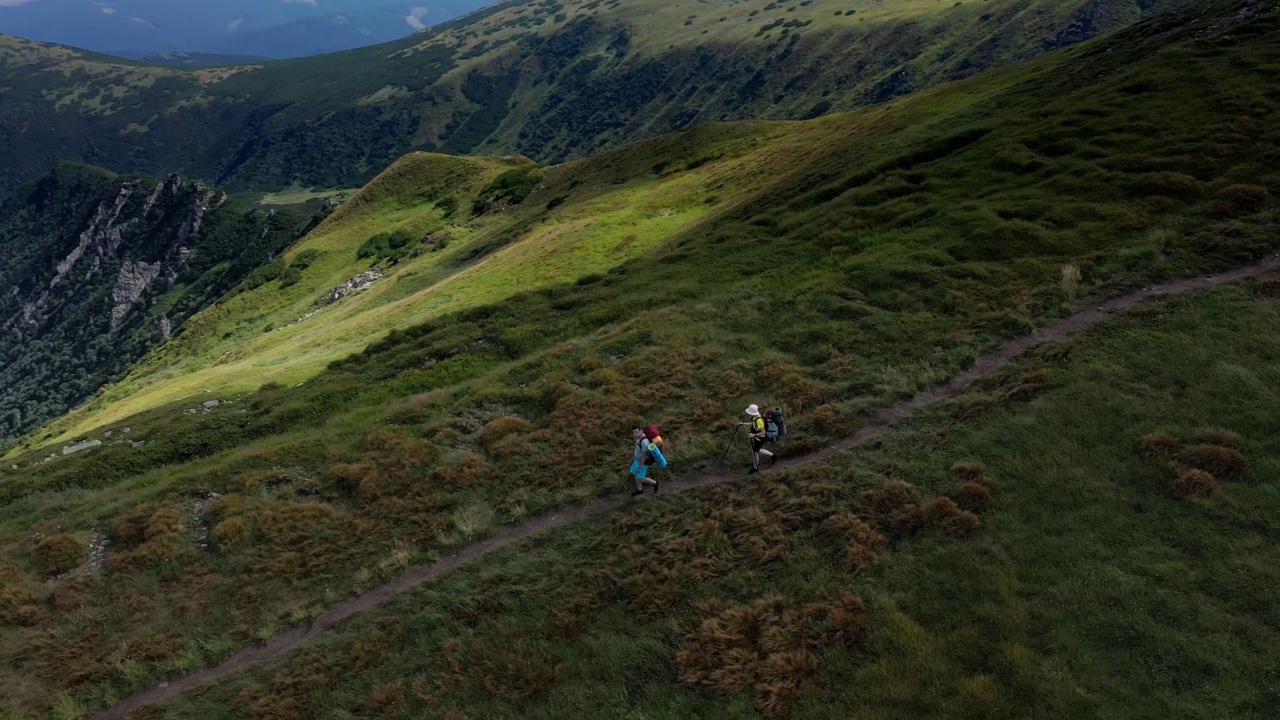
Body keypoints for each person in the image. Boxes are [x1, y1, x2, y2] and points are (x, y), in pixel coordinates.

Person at [629, 427, 667, 495]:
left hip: (643, 462)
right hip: (637, 460)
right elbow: (637, 449)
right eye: (634, 432)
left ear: (641, 430)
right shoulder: (637, 438)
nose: (635, 434)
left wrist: (640, 468)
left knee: (640, 478)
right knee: (634, 473)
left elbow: (644, 456)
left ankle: (655, 483)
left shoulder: (645, 442)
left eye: (636, 432)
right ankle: (640, 489)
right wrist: (633, 458)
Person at [742, 404, 775, 474]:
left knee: (755, 452)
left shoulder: (759, 421)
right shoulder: (755, 417)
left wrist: (754, 434)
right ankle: (773, 456)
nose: (747, 413)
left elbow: (763, 432)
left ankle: (755, 468)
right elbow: (754, 423)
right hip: (758, 438)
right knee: (757, 450)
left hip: (761, 438)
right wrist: (743, 424)